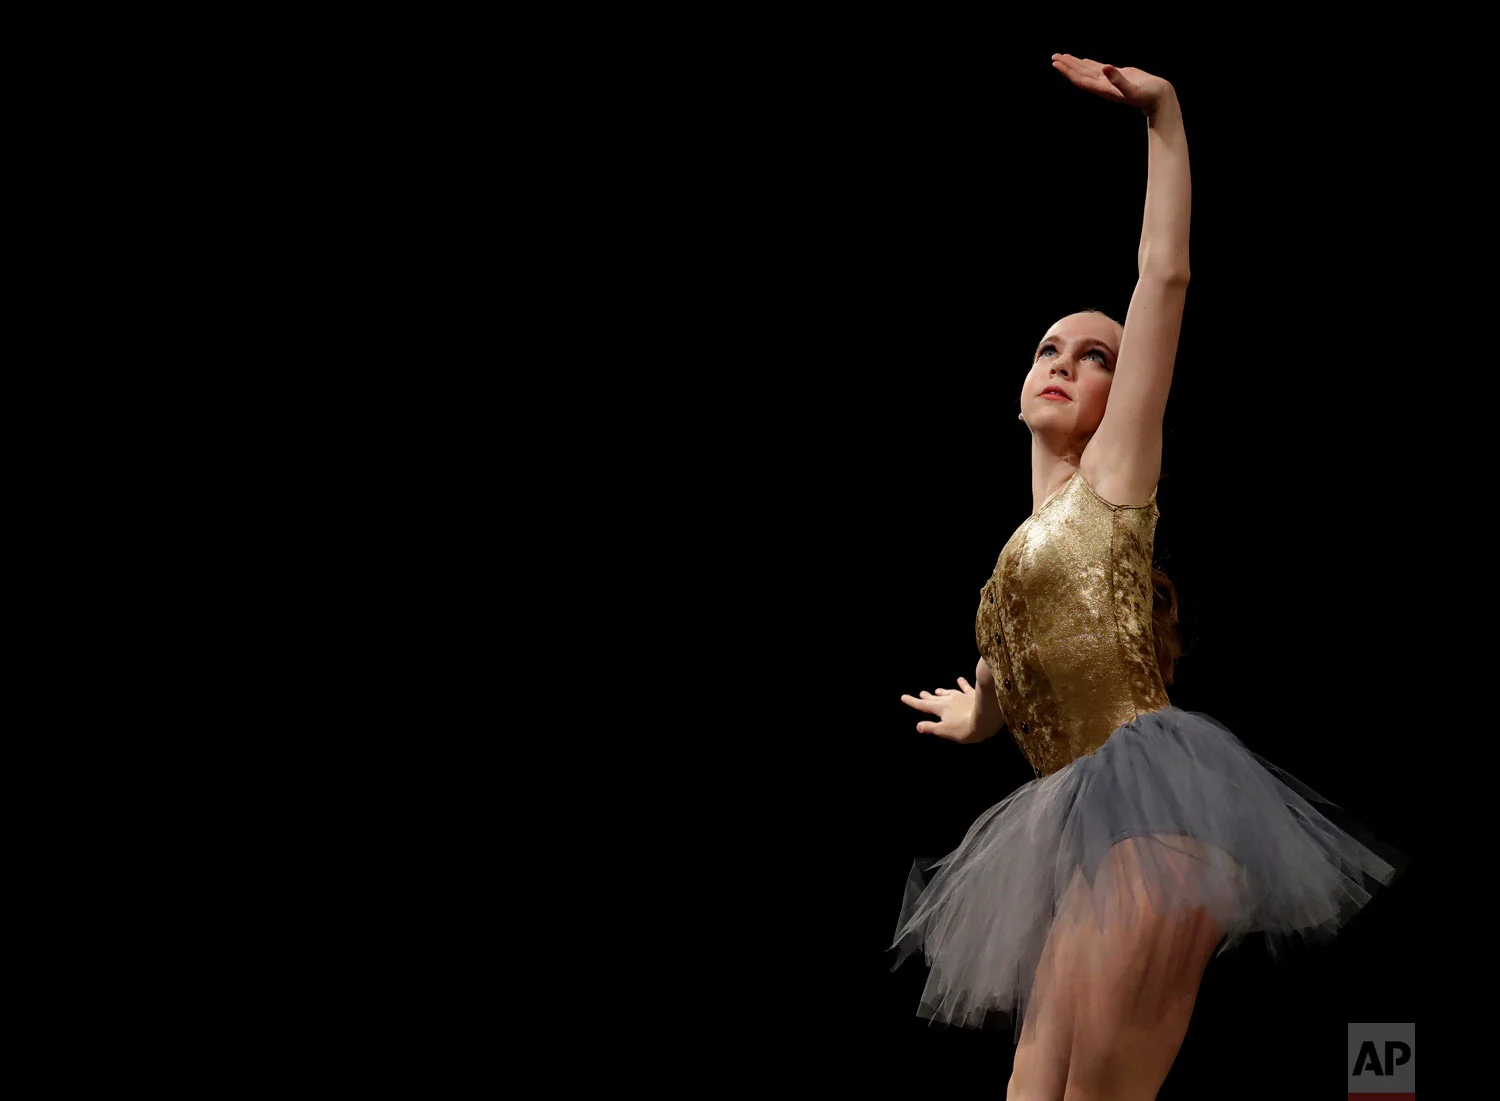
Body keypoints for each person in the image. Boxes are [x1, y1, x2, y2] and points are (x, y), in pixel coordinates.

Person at [891, 55, 1399, 1101]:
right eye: (1050, 347)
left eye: (1096, 355)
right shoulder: (1010, 567)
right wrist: (976, 716)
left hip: (1152, 805)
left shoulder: (1114, 481)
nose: (1066, 361)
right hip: (1070, 829)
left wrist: (1165, 121)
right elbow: (1019, 665)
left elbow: (1161, 276)